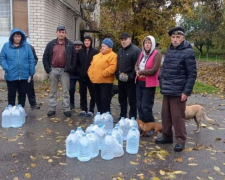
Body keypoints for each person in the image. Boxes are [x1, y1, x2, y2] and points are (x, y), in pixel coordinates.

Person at [155, 27, 197, 152]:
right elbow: (165, 68)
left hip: (179, 91)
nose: (175, 39)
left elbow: (192, 74)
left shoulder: (188, 52)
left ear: (183, 38)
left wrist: (186, 91)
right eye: (173, 37)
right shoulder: (169, 50)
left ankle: (180, 140)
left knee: (177, 117)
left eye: (178, 37)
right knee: (166, 115)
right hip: (167, 89)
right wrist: (161, 79)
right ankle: (167, 136)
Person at [43, 26, 76, 117]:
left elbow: (74, 58)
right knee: (53, 91)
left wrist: (70, 69)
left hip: (65, 71)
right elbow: (45, 57)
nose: (61, 34)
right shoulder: (50, 44)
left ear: (65, 34)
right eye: (59, 32)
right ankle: (52, 108)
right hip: (53, 70)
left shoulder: (70, 44)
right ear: (56, 33)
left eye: (63, 32)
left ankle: (66, 109)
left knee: (66, 91)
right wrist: (48, 70)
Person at [0, 28, 35, 107]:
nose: (17, 38)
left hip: (24, 75)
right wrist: (7, 68)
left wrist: (31, 72)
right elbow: (2, 58)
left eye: (19, 36)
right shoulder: (6, 46)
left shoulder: (26, 46)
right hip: (11, 75)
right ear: (12, 37)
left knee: (22, 94)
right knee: (11, 93)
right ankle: (11, 110)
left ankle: (20, 110)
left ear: (21, 37)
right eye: (15, 36)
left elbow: (31, 59)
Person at [135, 35, 162, 136]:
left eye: (149, 43)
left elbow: (155, 69)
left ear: (153, 44)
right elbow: (136, 64)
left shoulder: (157, 54)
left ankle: (151, 127)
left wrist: (142, 72)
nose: (147, 45)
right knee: (139, 105)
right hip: (139, 82)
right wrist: (137, 71)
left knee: (146, 107)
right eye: (145, 43)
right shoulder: (142, 53)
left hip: (149, 83)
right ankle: (143, 127)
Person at [116, 32, 141, 120]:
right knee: (122, 99)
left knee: (132, 101)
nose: (123, 41)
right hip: (121, 79)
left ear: (130, 39)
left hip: (131, 81)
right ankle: (122, 116)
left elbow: (137, 65)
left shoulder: (136, 50)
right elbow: (118, 64)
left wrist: (130, 76)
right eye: (122, 40)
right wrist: (117, 74)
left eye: (125, 39)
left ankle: (132, 118)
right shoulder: (120, 50)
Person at [88, 38, 117, 114]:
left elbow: (112, 67)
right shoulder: (96, 56)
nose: (102, 47)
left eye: (104, 46)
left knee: (105, 101)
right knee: (98, 100)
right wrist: (90, 74)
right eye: (102, 46)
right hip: (95, 81)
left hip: (105, 82)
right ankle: (100, 115)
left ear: (109, 47)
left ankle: (106, 117)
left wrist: (103, 74)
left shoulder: (113, 56)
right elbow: (91, 66)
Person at [77, 36, 98, 117]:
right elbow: (77, 63)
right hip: (82, 76)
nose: (86, 42)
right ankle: (83, 109)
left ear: (91, 42)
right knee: (82, 93)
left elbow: (96, 64)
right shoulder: (80, 52)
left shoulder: (95, 52)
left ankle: (91, 110)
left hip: (91, 77)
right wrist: (79, 71)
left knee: (93, 94)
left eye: (88, 41)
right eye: (85, 41)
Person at [24, 34, 40, 109]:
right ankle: (20, 105)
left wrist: (32, 64)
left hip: (28, 73)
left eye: (25, 38)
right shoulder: (14, 47)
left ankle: (33, 103)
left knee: (30, 89)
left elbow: (35, 58)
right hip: (17, 73)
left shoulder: (30, 47)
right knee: (20, 90)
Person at [69, 40, 83, 109]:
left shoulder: (83, 54)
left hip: (81, 74)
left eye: (78, 47)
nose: (77, 48)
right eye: (75, 47)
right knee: (71, 89)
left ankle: (82, 104)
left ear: (81, 47)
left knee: (82, 90)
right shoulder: (71, 53)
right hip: (72, 74)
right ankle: (71, 103)